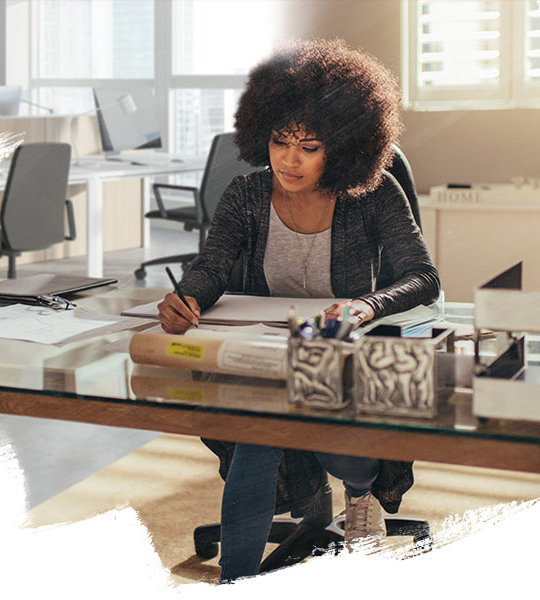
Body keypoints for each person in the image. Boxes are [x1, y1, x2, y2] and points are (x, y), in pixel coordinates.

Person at [156, 39, 440, 582]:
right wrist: (188, 295)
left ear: (343, 146)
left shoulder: (373, 194)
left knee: (338, 454)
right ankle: (237, 582)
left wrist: (364, 306)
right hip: (269, 348)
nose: (289, 159)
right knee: (256, 438)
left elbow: (423, 277)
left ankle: (359, 495)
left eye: (308, 147)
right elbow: (212, 265)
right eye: (279, 141)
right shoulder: (246, 194)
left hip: (339, 344)